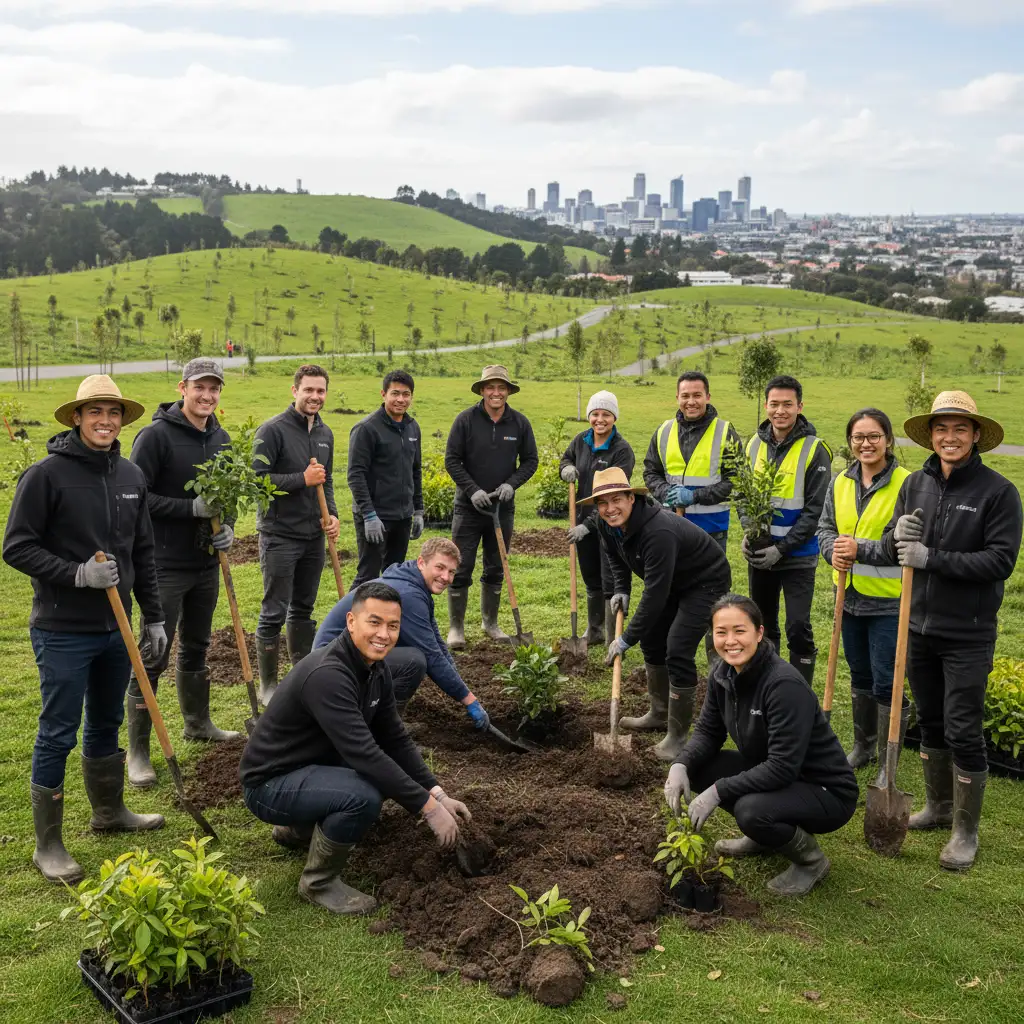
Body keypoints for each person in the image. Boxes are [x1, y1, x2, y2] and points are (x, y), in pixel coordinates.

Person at [3, 375, 166, 884]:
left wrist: (155, 615)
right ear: (76, 417)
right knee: (58, 731)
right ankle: (47, 845)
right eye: (95, 411)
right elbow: (16, 546)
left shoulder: (131, 476)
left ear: (122, 420)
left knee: (105, 723)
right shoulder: (46, 476)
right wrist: (77, 573)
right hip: (63, 629)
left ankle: (109, 811)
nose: (105, 421)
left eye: (113, 412)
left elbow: (143, 552)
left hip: (116, 629)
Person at [239, 582, 472, 915]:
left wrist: (437, 792)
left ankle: (296, 830)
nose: (384, 634)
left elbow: (394, 738)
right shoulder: (329, 675)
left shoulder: (375, 668)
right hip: (268, 784)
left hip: (307, 767)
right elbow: (364, 754)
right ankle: (318, 882)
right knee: (363, 794)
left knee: (380, 777)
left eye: (393, 625)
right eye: (373, 622)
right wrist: (428, 809)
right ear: (351, 622)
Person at [877, 391, 1022, 871]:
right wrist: (895, 539)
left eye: (961, 428)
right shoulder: (914, 484)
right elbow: (894, 542)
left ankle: (965, 831)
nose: (950, 437)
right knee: (932, 721)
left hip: (967, 632)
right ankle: (937, 808)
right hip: (916, 626)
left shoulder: (998, 493)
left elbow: (999, 561)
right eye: (942, 428)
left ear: (977, 435)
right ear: (931, 435)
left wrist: (931, 559)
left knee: (963, 728)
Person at [665, 594, 858, 897]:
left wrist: (718, 792)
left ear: (759, 632)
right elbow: (707, 732)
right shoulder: (722, 674)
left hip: (825, 790)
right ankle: (765, 837)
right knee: (699, 767)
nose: (730, 641)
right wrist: (681, 764)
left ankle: (811, 862)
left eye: (740, 631)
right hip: (775, 772)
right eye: (721, 632)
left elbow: (782, 767)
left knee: (751, 810)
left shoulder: (783, 686)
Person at [123, 359, 240, 788]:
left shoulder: (222, 439)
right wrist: (189, 508)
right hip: (163, 566)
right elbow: (137, 497)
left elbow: (224, 496)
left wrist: (225, 526)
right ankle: (138, 752)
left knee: (197, 645)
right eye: (200, 388)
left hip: (205, 564)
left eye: (215, 389)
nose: (207, 396)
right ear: (182, 387)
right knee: (153, 652)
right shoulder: (154, 437)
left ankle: (197, 721)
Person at [584, 467, 731, 761]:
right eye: (602, 503)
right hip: (673, 581)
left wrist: (625, 638)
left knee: (677, 648)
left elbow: (655, 594)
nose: (610, 509)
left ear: (631, 498)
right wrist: (622, 588)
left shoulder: (657, 531)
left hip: (706, 581)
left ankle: (678, 737)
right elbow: (614, 555)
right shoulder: (607, 525)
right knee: (652, 639)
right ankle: (659, 712)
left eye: (616, 500)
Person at [817, 408, 910, 778]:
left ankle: (889, 761)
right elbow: (825, 527)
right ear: (850, 441)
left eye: (874, 436)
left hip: (889, 601)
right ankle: (863, 745)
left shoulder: (907, 483)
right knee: (860, 675)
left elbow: (901, 541)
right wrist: (832, 551)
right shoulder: (841, 481)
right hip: (849, 596)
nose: (866, 444)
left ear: (888, 440)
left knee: (887, 679)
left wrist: (860, 550)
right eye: (858, 437)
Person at [313, 538, 490, 729]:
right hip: (332, 669)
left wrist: (456, 678)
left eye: (451, 572)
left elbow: (436, 642)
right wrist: (469, 700)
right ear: (421, 563)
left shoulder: (411, 583)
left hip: (338, 659)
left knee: (406, 650)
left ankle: (385, 721)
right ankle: (384, 728)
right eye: (440, 567)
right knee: (414, 662)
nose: (446, 577)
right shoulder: (409, 595)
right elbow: (432, 656)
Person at [253, 364, 340, 704]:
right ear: (295, 391)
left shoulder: (326, 433)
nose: (315, 397)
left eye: (320, 391)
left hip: (312, 537)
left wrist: (330, 514)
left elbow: (326, 480)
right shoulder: (272, 431)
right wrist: (299, 480)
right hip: (280, 535)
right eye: (309, 390)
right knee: (275, 609)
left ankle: (300, 676)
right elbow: (258, 482)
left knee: (303, 609)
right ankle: (268, 686)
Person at [741, 374, 833, 686]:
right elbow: (744, 495)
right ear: (766, 405)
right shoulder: (753, 444)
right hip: (760, 555)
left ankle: (799, 688)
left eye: (787, 404)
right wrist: (749, 531)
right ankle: (771, 685)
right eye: (774, 404)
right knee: (763, 623)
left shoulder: (815, 450)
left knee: (798, 625)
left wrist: (781, 548)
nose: (780, 411)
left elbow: (814, 510)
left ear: (800, 406)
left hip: (799, 557)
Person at [443, 365, 538, 648]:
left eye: (501, 388)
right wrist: (471, 490)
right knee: (461, 565)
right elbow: (452, 460)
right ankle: (456, 628)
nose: (496, 393)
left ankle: (490, 623)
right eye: (490, 387)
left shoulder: (519, 423)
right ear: (482, 390)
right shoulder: (466, 420)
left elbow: (530, 461)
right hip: (469, 507)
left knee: (496, 565)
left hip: (502, 507)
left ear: (508, 391)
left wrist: (511, 484)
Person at [560, 390, 635, 646]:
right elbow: (567, 458)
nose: (599, 419)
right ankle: (594, 630)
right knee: (590, 576)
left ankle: (614, 636)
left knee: (610, 579)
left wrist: (587, 526)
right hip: (582, 520)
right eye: (595, 414)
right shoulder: (581, 440)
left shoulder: (622, 450)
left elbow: (613, 496)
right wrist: (566, 468)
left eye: (606, 414)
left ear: (614, 417)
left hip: (610, 524)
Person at [642, 370, 741, 550]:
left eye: (697, 395)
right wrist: (664, 491)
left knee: (710, 578)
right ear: (677, 398)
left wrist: (694, 496)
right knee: (673, 578)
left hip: (711, 529)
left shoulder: (725, 432)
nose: (691, 402)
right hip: (671, 525)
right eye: (685, 396)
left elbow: (735, 480)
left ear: (708, 397)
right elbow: (651, 471)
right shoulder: (664, 431)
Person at [347, 370, 423, 589]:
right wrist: (369, 515)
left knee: (395, 574)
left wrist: (417, 510)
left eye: (406, 394)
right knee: (368, 576)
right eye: (395, 393)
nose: (400, 399)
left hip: (402, 516)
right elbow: (355, 475)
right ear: (383, 394)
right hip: (375, 516)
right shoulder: (366, 429)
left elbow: (415, 471)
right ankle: (348, 622)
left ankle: (384, 622)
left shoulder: (412, 427)